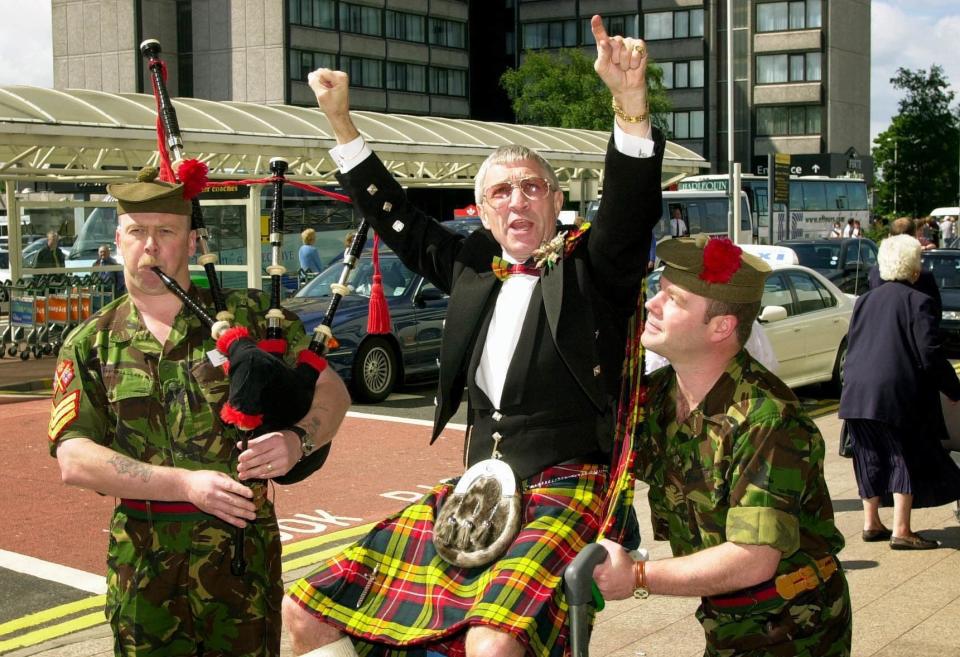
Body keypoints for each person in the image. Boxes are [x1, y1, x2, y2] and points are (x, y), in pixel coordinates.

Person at [283, 15, 664, 657]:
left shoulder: (594, 269)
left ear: (556, 199)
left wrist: (629, 105)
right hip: (475, 494)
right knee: (305, 613)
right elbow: (395, 216)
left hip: (569, 486)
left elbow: (629, 211)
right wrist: (340, 123)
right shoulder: (470, 266)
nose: (518, 202)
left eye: (532, 188)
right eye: (501, 192)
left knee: (491, 644)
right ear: (482, 211)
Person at [49, 168, 352, 657]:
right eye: (136, 231)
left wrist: (299, 439)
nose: (150, 246)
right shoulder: (92, 343)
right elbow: (74, 458)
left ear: (191, 243)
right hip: (143, 568)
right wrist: (184, 484)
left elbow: (331, 390)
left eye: (165, 232)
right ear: (118, 239)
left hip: (241, 563)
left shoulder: (252, 317)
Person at [592, 235, 851, 656]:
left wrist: (637, 576)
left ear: (721, 326)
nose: (653, 305)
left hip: (793, 626)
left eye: (674, 299)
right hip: (726, 618)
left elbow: (753, 557)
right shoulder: (656, 397)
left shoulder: (766, 417)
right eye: (659, 290)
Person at [839, 234, 960, 550]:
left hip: (856, 390)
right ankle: (901, 530)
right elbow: (929, 352)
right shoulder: (917, 301)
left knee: (867, 455)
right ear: (915, 269)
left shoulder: (865, 299)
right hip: (894, 392)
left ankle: (871, 523)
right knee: (901, 456)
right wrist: (953, 388)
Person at [868, 217, 941, 312]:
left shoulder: (875, 273)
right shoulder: (923, 275)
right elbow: (935, 310)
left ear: (889, 237)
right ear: (914, 237)